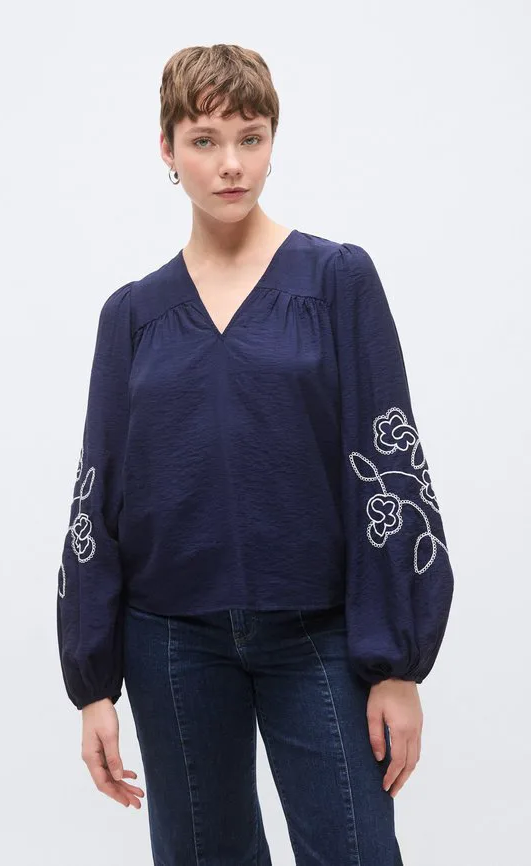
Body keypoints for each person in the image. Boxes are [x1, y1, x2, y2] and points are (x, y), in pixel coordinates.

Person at [56, 43, 454, 865]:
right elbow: (99, 494)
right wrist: (93, 685)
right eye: (204, 140)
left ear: (273, 141)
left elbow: (389, 459)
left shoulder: (337, 280)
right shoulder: (131, 316)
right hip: (171, 642)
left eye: (251, 136)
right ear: (167, 149)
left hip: (321, 636)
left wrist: (398, 665)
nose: (230, 164)